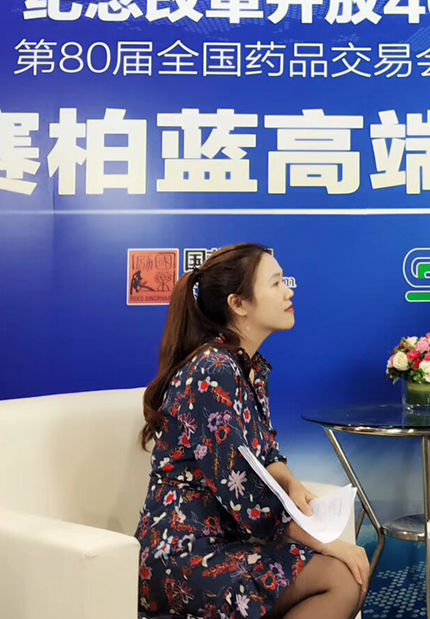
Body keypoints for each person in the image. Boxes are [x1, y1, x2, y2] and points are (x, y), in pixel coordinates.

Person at [135, 243, 368, 619]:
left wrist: (289, 481)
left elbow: (265, 452)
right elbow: (241, 491)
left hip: (229, 540)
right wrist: (324, 543)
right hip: (184, 551)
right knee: (342, 578)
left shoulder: (248, 368)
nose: (289, 292)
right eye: (276, 283)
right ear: (238, 304)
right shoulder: (212, 370)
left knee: (344, 576)